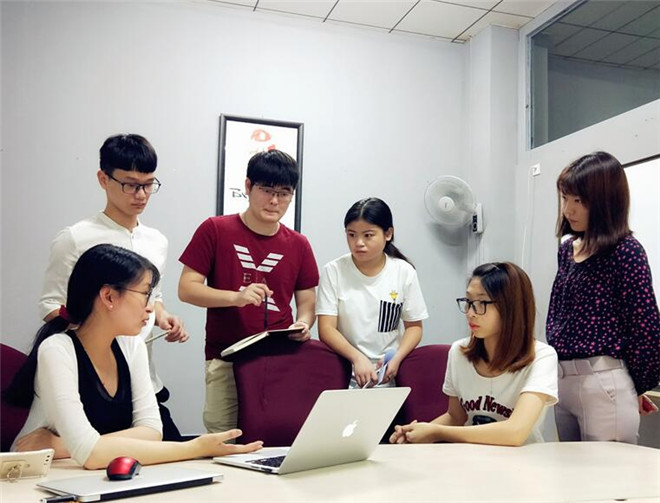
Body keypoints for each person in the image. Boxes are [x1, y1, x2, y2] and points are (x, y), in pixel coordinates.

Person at [7, 245, 261, 469]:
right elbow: (91, 454)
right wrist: (194, 447)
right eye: (144, 294)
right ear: (108, 296)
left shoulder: (131, 346)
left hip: (90, 470)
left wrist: (63, 446)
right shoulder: (57, 350)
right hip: (32, 477)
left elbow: (152, 431)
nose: (151, 308)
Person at [38, 133, 188, 441]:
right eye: (131, 185)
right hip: (92, 380)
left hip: (142, 375)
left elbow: (154, 296)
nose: (141, 194)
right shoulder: (76, 238)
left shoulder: (157, 241)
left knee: (163, 445)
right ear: (103, 179)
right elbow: (51, 304)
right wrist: (98, 336)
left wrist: (162, 316)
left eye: (149, 184)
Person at [178, 149, 319, 433]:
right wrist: (235, 297)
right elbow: (187, 289)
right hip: (226, 357)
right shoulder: (216, 229)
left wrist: (304, 323)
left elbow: (307, 303)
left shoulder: (299, 244)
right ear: (247, 186)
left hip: (279, 360)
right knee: (225, 438)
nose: (274, 201)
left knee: (276, 437)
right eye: (266, 190)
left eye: (284, 193)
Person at [546, 151, 660, 444]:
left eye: (579, 201)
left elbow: (645, 327)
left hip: (603, 379)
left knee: (610, 471)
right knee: (568, 470)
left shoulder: (626, 251)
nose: (568, 210)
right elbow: (557, 314)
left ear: (605, 202)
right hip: (562, 379)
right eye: (565, 198)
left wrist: (636, 385)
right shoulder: (567, 249)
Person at [390, 262, 558, 446]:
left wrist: (436, 432)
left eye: (482, 303)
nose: (470, 313)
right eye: (469, 302)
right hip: (471, 457)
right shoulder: (459, 352)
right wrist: (415, 433)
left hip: (522, 460)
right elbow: (456, 417)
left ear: (511, 307)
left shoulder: (541, 357)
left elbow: (515, 433)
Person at [316, 197, 428, 388]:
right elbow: (326, 329)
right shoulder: (333, 271)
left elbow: (414, 327)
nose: (358, 242)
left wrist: (397, 357)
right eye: (351, 235)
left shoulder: (403, 271)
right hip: (343, 370)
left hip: (387, 373)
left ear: (388, 234)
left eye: (368, 235)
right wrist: (356, 358)